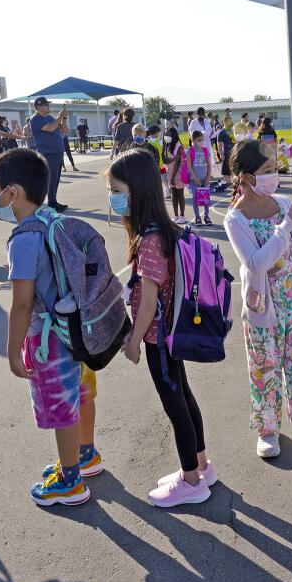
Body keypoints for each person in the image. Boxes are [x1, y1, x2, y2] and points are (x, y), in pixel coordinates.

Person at [0, 149, 102, 506]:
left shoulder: (23, 239)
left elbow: (22, 303)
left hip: (49, 339)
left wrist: (11, 350)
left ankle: (70, 481)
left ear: (13, 192)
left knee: (60, 407)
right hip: (77, 330)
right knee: (82, 394)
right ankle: (86, 454)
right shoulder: (51, 219)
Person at [108, 148, 214, 507]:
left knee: (175, 405)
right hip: (172, 334)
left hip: (158, 338)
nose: (113, 197)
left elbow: (149, 302)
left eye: (117, 189)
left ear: (136, 191)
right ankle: (201, 465)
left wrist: (134, 342)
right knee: (183, 396)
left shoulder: (149, 240)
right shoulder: (161, 230)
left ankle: (191, 481)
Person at [223, 140, 292, 459]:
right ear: (246, 177)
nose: (275, 177)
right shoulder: (235, 218)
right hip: (261, 308)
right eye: (267, 171)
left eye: (275, 170)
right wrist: (286, 227)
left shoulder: (283, 203)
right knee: (263, 367)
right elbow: (256, 262)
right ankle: (268, 430)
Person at [27, 97, 70, 212]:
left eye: (48, 104)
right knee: (52, 178)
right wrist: (60, 116)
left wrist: (64, 118)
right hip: (48, 153)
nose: (48, 106)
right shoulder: (35, 119)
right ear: (38, 107)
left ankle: (53, 201)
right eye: (45, 105)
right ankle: (51, 202)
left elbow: (64, 130)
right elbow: (50, 128)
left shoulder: (50, 117)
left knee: (56, 179)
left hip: (57, 151)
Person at [186, 130, 214, 226]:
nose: (201, 142)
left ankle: (206, 216)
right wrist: (195, 179)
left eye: (202, 140)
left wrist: (208, 178)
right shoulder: (190, 151)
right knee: (195, 199)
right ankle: (197, 217)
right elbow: (189, 167)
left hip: (205, 179)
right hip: (195, 180)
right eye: (199, 140)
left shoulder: (205, 151)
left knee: (206, 198)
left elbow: (209, 165)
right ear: (193, 140)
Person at [162, 127, 187, 223]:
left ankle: (182, 215)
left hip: (178, 174)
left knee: (180, 194)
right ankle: (175, 215)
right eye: (165, 135)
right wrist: (173, 159)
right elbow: (165, 160)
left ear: (173, 135)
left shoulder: (178, 146)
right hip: (170, 173)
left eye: (168, 135)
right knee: (174, 195)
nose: (166, 137)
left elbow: (178, 162)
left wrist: (173, 177)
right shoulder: (166, 146)